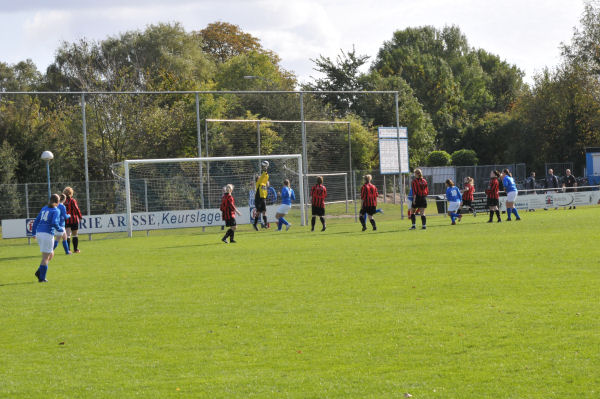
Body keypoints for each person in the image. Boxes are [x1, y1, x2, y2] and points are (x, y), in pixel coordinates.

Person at [32, 194, 64, 282]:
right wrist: (60, 228)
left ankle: (39, 271)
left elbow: (36, 220)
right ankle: (42, 278)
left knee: (51, 253)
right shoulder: (56, 210)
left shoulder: (44, 208)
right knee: (45, 257)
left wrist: (34, 232)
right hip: (47, 234)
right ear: (57, 202)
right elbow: (54, 223)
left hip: (40, 233)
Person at [63, 186, 82, 253]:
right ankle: (75, 249)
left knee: (68, 235)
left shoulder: (63, 201)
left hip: (66, 219)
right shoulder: (72, 200)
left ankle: (68, 250)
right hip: (74, 219)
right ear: (71, 193)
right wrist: (80, 216)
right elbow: (76, 209)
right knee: (75, 235)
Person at [253, 163, 269, 230]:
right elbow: (263, 176)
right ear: (257, 179)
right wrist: (264, 171)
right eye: (259, 177)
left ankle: (265, 224)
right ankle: (255, 224)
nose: (260, 177)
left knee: (264, 212)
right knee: (258, 212)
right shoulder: (258, 183)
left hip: (263, 199)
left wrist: (266, 170)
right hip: (258, 199)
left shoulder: (263, 182)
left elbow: (266, 177)